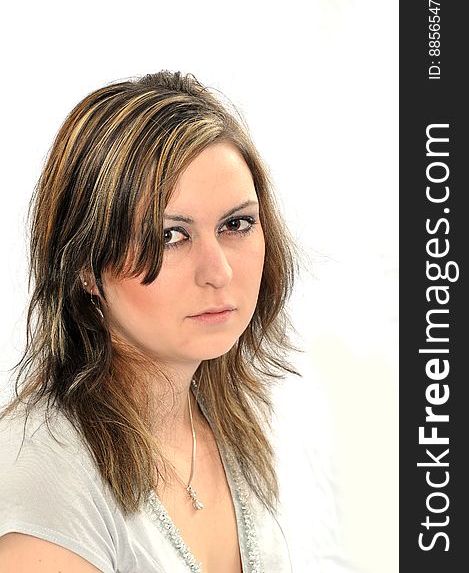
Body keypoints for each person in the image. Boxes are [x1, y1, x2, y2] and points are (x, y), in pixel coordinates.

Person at [0, 71, 351, 572]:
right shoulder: (43, 477)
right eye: (170, 236)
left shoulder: (230, 423)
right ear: (85, 266)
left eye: (236, 224)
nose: (219, 272)